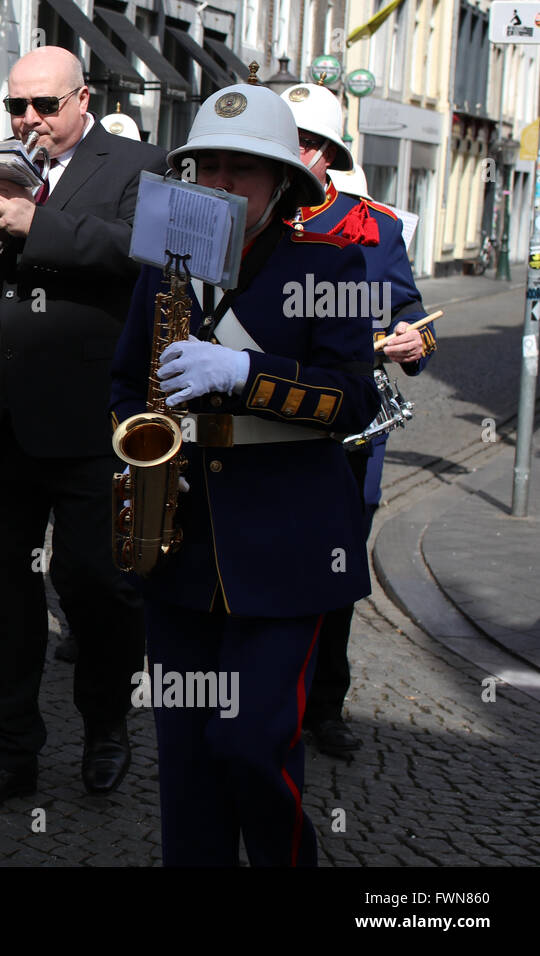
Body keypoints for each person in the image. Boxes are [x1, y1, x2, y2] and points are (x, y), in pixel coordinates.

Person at [109, 77, 380, 866]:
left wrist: (246, 373)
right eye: (209, 168)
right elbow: (128, 381)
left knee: (251, 743)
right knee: (188, 761)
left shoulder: (331, 266)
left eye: (243, 170)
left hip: (289, 549)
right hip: (180, 547)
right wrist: (139, 448)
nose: (222, 185)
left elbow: (354, 400)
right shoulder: (164, 266)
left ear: (282, 184)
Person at [0, 45, 166, 810]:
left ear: (81, 100)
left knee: (98, 586)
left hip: (91, 421)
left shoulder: (135, 162)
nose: (28, 120)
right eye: (16, 106)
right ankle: (8, 751)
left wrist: (37, 220)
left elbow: (144, 252)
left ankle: (106, 725)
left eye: (43, 107)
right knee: (4, 600)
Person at [281, 82, 436, 759]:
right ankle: (264, 695)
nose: (293, 153)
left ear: (324, 152)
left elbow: (415, 318)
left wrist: (413, 342)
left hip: (347, 427)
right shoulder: (247, 215)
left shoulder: (376, 224)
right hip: (265, 417)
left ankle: (326, 703)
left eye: (305, 142)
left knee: (335, 571)